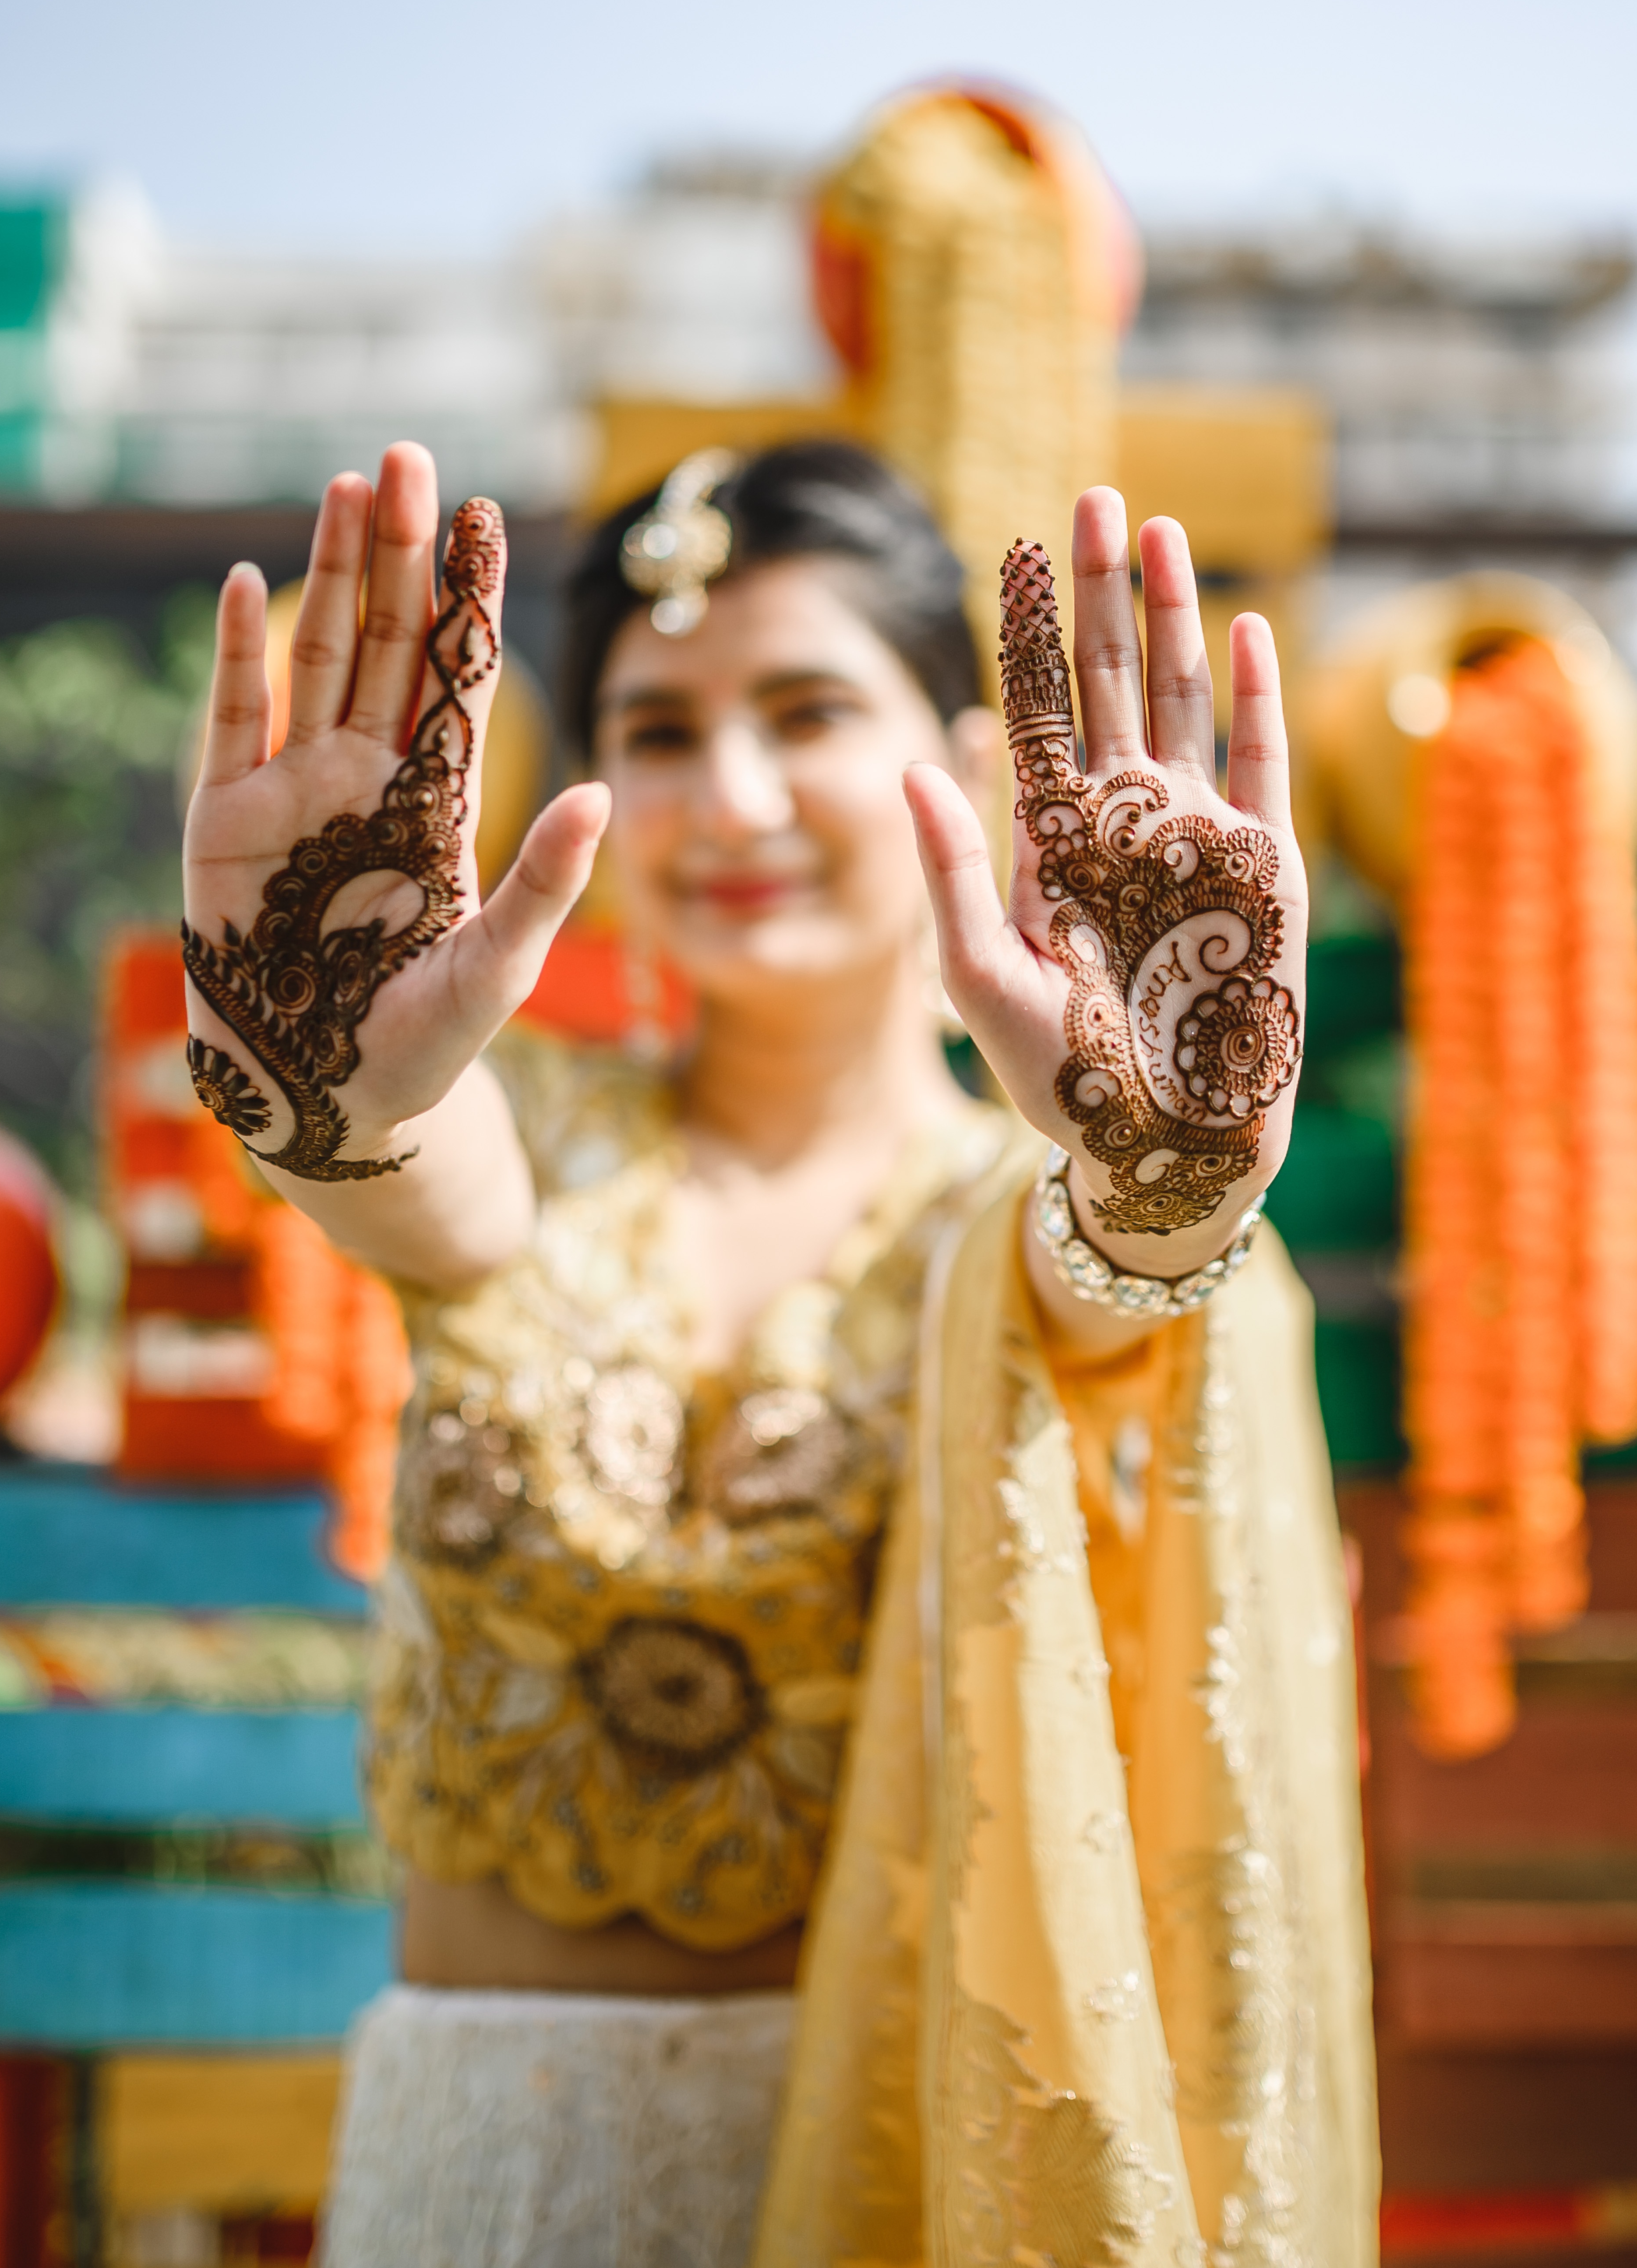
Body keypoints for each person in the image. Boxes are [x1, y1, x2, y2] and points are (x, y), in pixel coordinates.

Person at [182, 437, 1375, 2268]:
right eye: (657, 733)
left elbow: (1110, 1277)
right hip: (474, 2175)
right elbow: (422, 1188)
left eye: (804, 708)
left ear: (976, 770)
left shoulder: (999, 1211)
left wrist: (1165, 1172)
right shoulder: (535, 1139)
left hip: (891, 2168)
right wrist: (321, 1096)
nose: (728, 798)